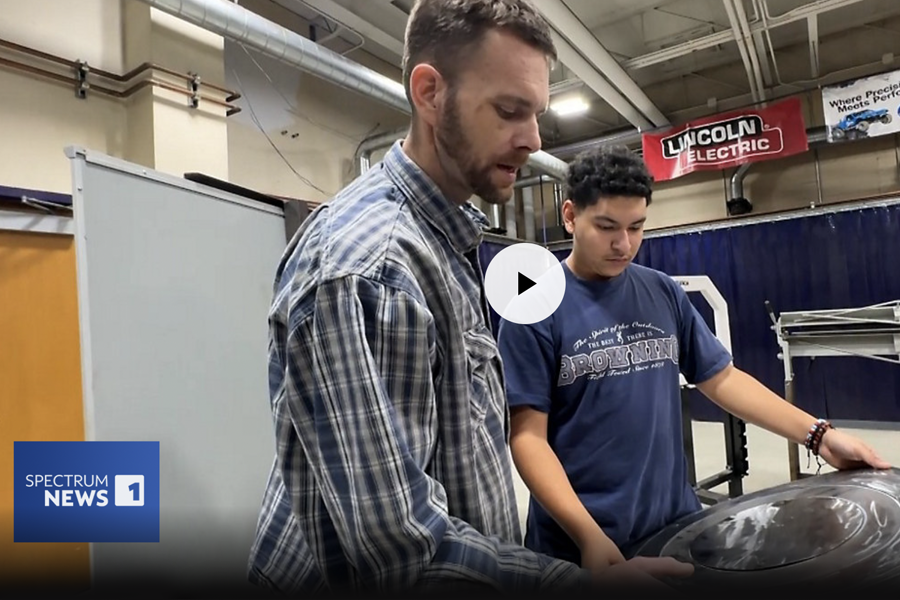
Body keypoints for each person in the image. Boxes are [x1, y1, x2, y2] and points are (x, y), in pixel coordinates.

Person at [245, 1, 692, 597]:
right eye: (510, 111)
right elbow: (401, 550)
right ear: (430, 93)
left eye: (536, 114)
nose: (533, 139)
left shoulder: (444, 241)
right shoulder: (368, 271)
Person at [496, 145, 893, 577]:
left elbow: (721, 379)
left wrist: (818, 435)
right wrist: (589, 538)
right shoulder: (534, 307)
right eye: (606, 227)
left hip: (676, 526)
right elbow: (527, 439)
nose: (623, 244)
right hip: (582, 546)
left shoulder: (661, 291)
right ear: (570, 216)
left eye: (636, 227)